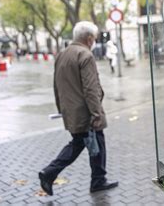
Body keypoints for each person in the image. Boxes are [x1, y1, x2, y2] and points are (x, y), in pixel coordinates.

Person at [38, 21, 118, 196]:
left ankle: (97, 180)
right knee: (88, 144)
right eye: (94, 38)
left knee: (86, 144)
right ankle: (50, 172)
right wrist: (97, 114)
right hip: (86, 113)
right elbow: (91, 89)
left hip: (71, 112)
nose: (95, 41)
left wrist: (62, 109)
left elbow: (56, 86)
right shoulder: (85, 55)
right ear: (89, 38)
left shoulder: (62, 54)